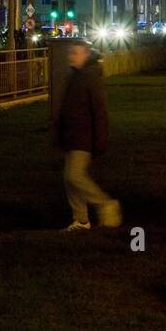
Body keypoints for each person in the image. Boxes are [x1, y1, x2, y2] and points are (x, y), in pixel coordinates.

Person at [53, 39, 121, 231]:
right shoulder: (76, 75)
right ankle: (81, 220)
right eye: (70, 53)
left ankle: (105, 204)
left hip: (83, 136)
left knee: (74, 176)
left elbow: (99, 111)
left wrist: (99, 139)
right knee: (69, 177)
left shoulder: (89, 77)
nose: (70, 57)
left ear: (85, 54)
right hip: (72, 135)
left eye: (74, 53)